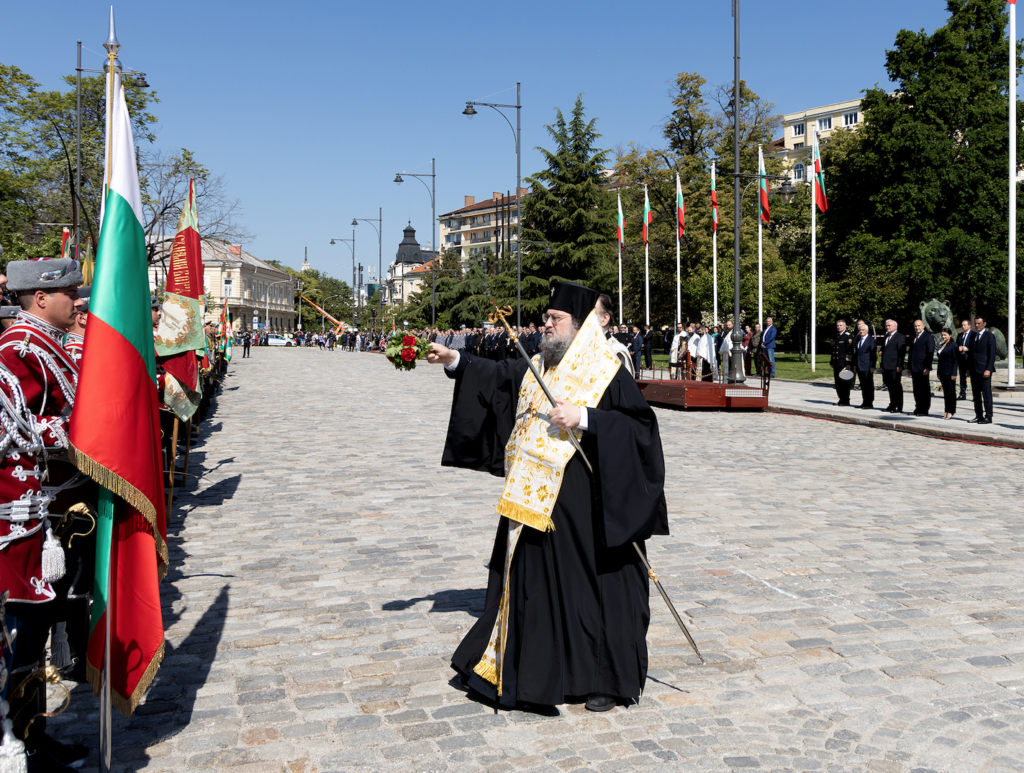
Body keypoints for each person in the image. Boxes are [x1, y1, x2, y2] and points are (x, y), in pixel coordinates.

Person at [426, 280, 668, 713]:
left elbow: (641, 430)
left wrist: (586, 417)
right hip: (532, 499)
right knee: (539, 586)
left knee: (590, 592)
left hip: (587, 505)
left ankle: (601, 679)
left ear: (579, 325)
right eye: (546, 319)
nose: (546, 325)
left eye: (555, 320)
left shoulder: (607, 367)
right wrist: (456, 359)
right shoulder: (539, 362)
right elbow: (499, 379)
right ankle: (537, 671)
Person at [0, 258, 90, 771]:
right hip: (21, 516)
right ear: (39, 298)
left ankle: (34, 732)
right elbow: (16, 430)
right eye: (69, 294)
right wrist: (83, 432)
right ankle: (20, 740)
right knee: (21, 636)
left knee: (35, 637)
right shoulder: (18, 350)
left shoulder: (46, 345)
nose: (77, 302)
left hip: (50, 509)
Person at [967, 315, 996, 424]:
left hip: (984, 369)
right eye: (976, 323)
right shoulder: (973, 336)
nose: (977, 325)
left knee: (986, 393)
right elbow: (970, 354)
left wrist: (988, 369)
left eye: (979, 323)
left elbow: (991, 354)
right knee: (976, 394)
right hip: (974, 369)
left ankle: (988, 416)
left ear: (984, 323)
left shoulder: (989, 336)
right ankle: (978, 415)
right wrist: (968, 368)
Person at [879, 319, 907, 414]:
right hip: (886, 365)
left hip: (894, 365)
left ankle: (898, 406)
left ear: (895, 326)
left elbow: (901, 352)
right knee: (890, 386)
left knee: (896, 386)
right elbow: (884, 349)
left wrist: (900, 364)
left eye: (889, 325)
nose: (887, 327)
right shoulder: (887, 336)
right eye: (886, 326)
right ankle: (892, 404)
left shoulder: (899, 337)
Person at [908, 319, 935, 416]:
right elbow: (911, 353)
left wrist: (927, 367)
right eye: (915, 326)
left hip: (923, 367)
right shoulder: (913, 337)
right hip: (914, 367)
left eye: (919, 326)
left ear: (923, 326)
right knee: (916, 389)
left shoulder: (928, 337)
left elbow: (929, 353)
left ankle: (924, 409)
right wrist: (909, 367)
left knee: (924, 390)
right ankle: (918, 407)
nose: (917, 328)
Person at [830, 318, 855, 406]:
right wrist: (832, 361)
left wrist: (848, 363)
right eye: (838, 325)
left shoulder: (848, 336)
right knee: (838, 383)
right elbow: (833, 350)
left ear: (845, 326)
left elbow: (849, 351)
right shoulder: (836, 336)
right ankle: (841, 399)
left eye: (841, 325)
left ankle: (845, 400)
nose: (839, 327)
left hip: (844, 363)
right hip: (837, 362)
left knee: (844, 383)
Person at [936, 327, 958, 420]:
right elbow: (940, 360)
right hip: (942, 371)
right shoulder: (942, 345)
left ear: (950, 335)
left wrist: (954, 373)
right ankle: (946, 410)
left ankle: (951, 411)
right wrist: (938, 372)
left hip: (949, 372)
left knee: (950, 392)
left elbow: (955, 360)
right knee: (945, 393)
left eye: (945, 335)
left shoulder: (953, 345)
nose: (943, 336)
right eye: (942, 335)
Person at [853, 321, 877, 409]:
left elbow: (873, 355)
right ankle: (864, 401)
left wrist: (872, 366)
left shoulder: (871, 340)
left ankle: (869, 403)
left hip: (867, 366)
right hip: (859, 366)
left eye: (863, 330)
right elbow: (856, 354)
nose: (861, 332)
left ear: (867, 331)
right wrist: (855, 365)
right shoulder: (858, 340)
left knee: (868, 385)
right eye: (860, 330)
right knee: (863, 385)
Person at [955, 319, 972, 400]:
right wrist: (959, 348)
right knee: (962, 377)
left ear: (969, 325)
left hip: (970, 359)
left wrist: (967, 349)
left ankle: (976, 395)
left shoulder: (973, 334)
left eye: (965, 325)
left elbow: (975, 348)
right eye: (962, 325)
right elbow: (957, 345)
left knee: (973, 378)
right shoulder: (960, 335)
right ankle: (962, 393)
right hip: (961, 359)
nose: (963, 327)